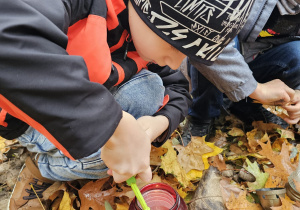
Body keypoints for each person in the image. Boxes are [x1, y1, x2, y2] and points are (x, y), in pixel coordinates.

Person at [0, 0, 255, 209]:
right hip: (22, 113)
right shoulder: (89, 7)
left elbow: (178, 88)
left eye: (187, 56)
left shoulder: (144, 36)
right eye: (177, 45)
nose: (176, 63)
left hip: (85, 100)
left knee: (152, 88)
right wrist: (114, 128)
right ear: (152, 13)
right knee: (107, 157)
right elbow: (8, 36)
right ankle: (40, 168)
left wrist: (159, 122)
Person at [185, 0, 300, 140]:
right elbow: (208, 40)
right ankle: (201, 116)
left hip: (263, 59)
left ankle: (243, 105)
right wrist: (257, 90)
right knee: (215, 43)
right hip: (223, 55)